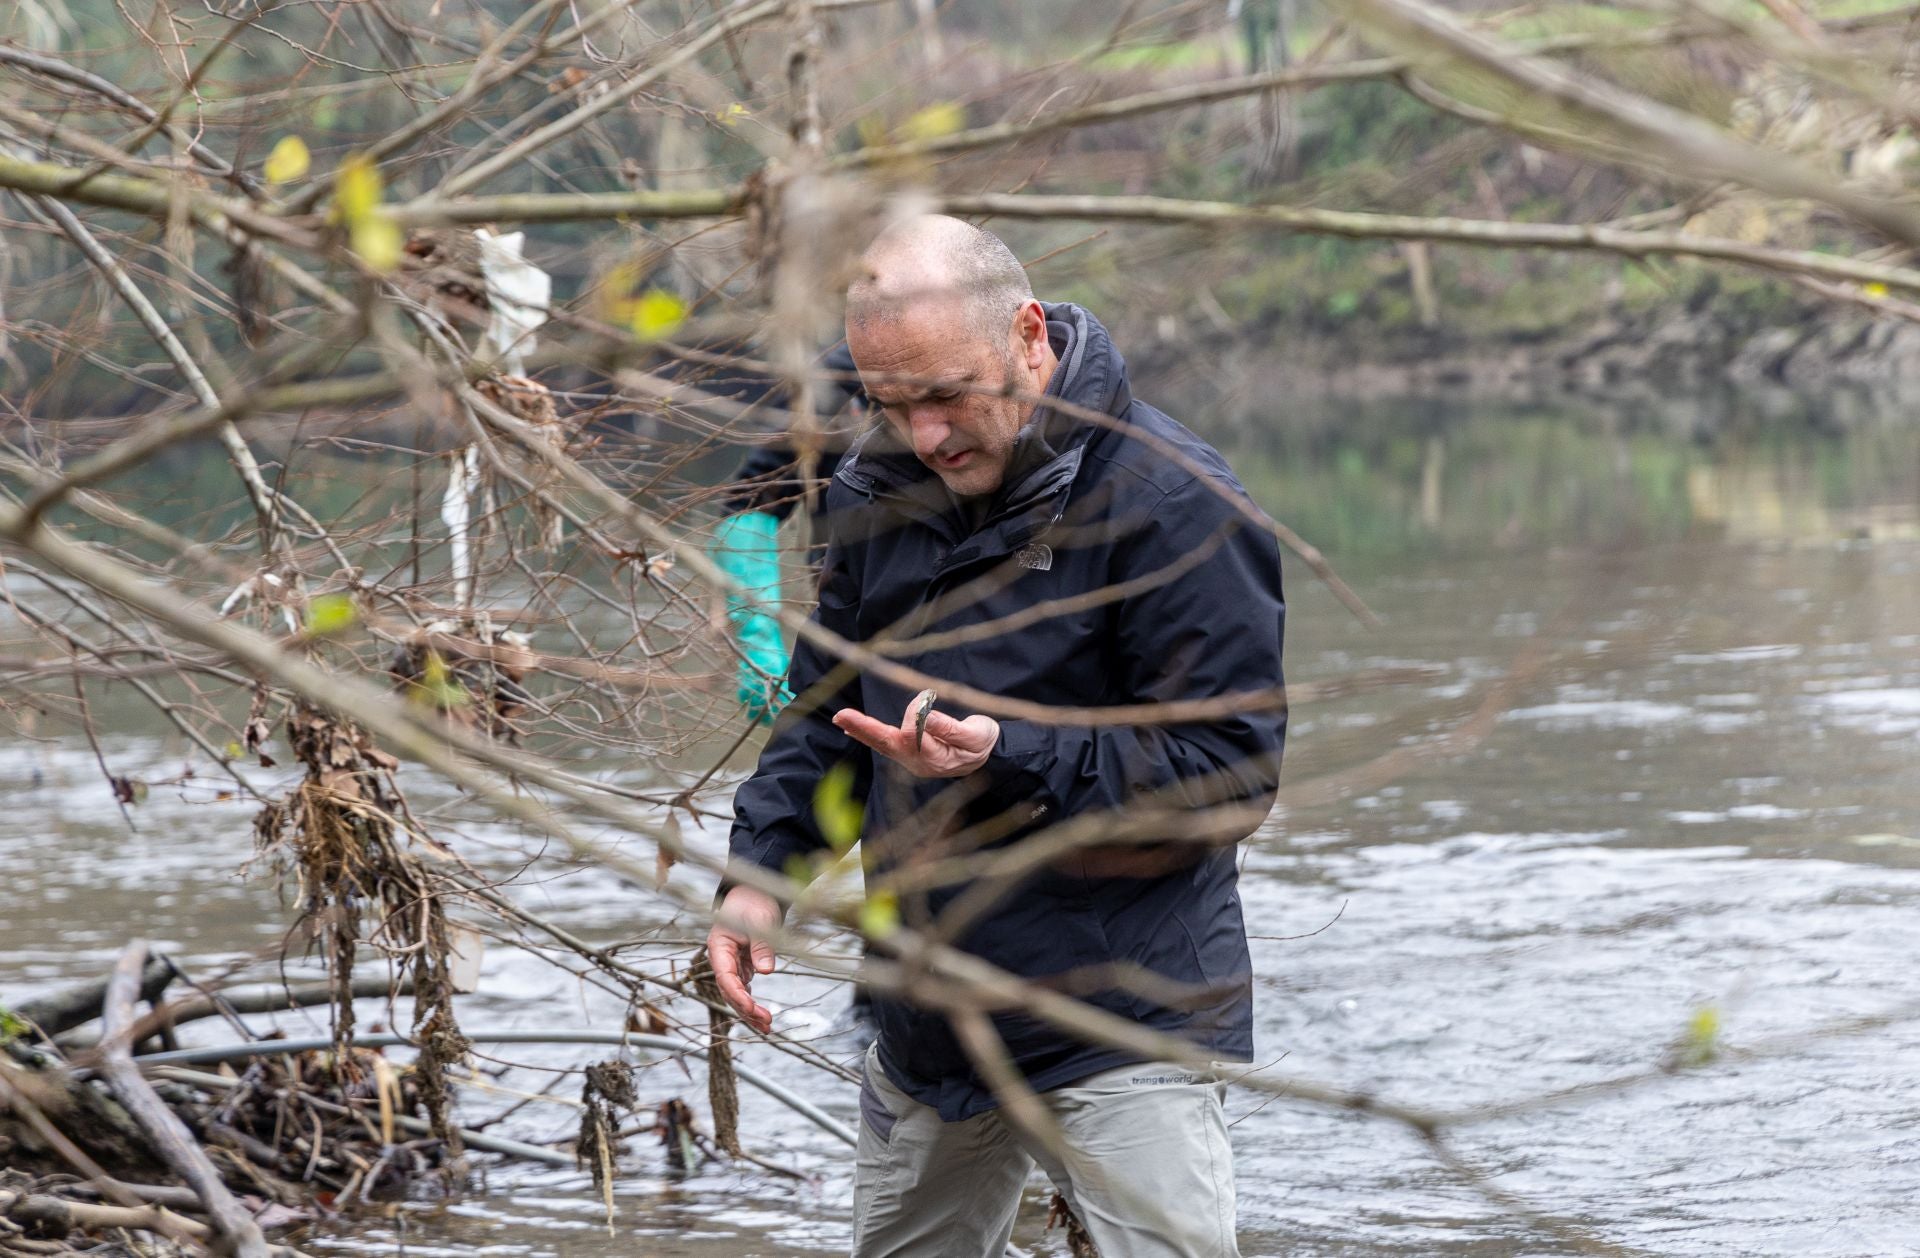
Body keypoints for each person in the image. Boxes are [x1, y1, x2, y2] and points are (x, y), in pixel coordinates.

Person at [706, 215, 1287, 1258]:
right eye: (892, 404)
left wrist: (1011, 752)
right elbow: (824, 715)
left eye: (946, 394)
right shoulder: (875, 492)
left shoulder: (1176, 507)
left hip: (1125, 1018)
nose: (926, 433)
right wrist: (761, 870)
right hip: (925, 1013)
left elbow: (1229, 777)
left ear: (1029, 336)